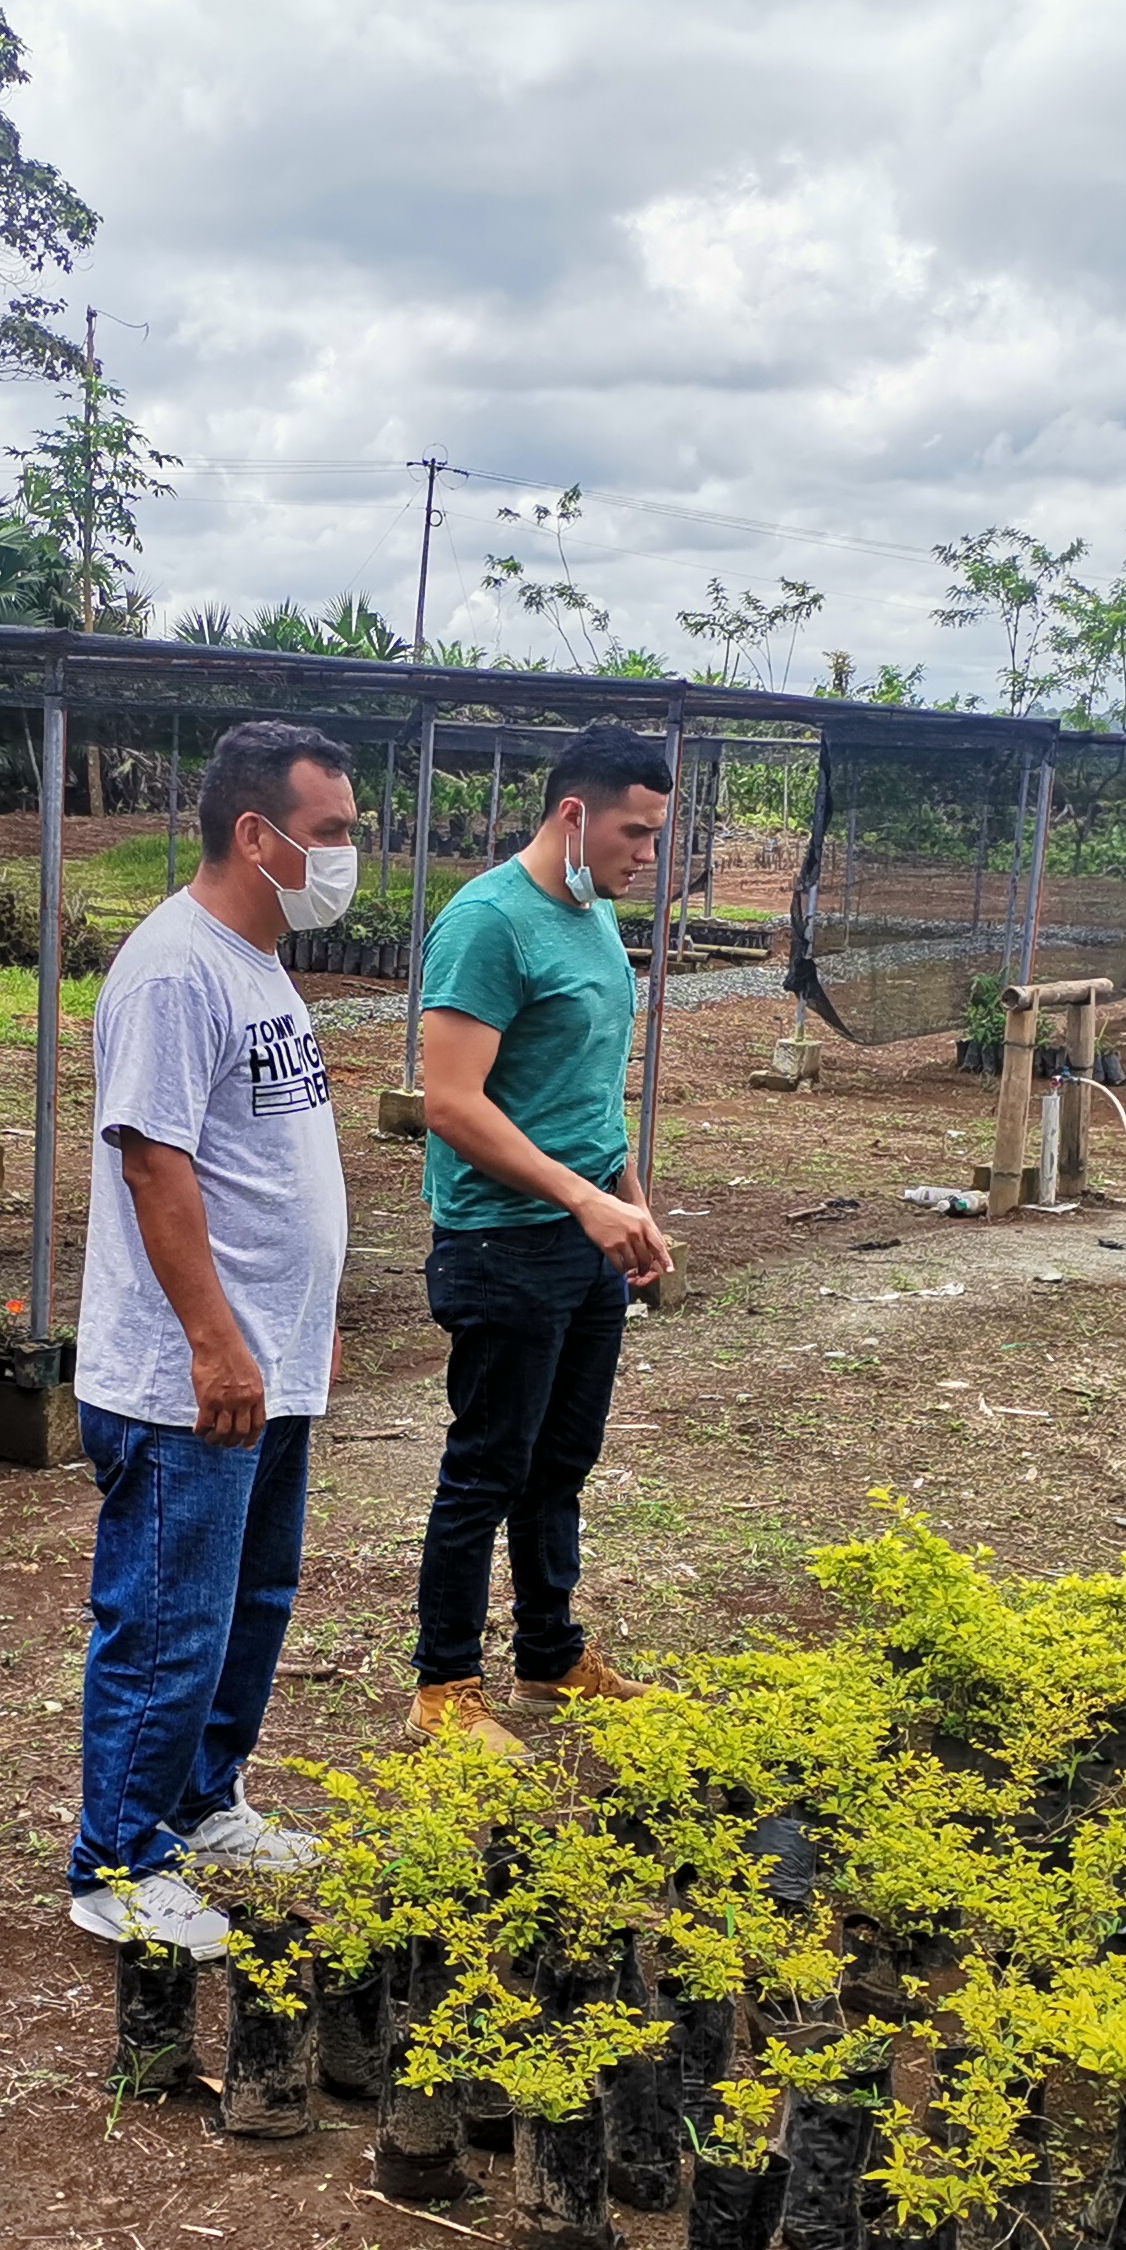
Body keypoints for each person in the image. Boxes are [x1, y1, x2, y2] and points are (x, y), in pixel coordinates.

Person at [65, 719, 360, 1956]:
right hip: (187, 1380)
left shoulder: (256, 961)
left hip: (267, 1362)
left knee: (250, 1601)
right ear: (257, 833)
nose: (346, 857)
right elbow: (156, 1164)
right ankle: (118, 1867)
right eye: (331, 832)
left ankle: (200, 1802)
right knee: (169, 1621)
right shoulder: (176, 971)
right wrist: (213, 1341)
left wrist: (281, 1338)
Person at [407, 718, 677, 1753]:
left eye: (655, 836)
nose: (645, 856)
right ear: (573, 813)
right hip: (502, 1244)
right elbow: (450, 1102)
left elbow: (589, 1093)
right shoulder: (488, 924)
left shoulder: (592, 914)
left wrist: (630, 1202)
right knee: (487, 1469)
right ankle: (444, 1686)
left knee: (562, 1459)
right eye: (633, 833)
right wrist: (582, 1201)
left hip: (585, 1234)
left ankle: (550, 1654)